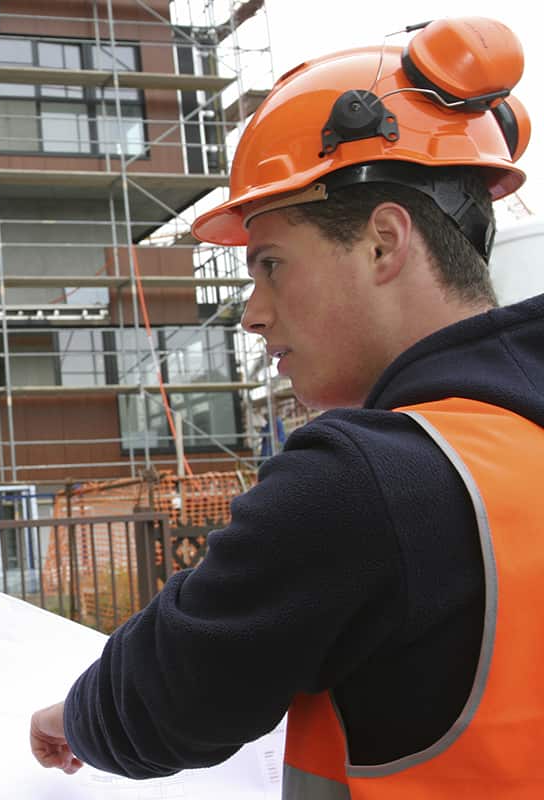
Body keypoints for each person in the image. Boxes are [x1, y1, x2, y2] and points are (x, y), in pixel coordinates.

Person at [30, 17, 544, 798]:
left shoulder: (365, 480)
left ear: (383, 243)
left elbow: (171, 696)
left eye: (270, 265)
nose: (252, 313)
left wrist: (75, 714)